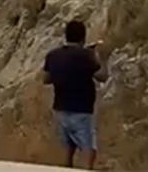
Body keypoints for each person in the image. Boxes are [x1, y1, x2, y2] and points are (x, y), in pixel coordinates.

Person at [42, 20, 108, 170]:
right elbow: (102, 76)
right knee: (88, 151)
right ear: (83, 38)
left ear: (66, 36)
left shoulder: (53, 55)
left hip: (60, 109)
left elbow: (46, 79)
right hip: (82, 111)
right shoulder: (86, 56)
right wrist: (100, 57)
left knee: (67, 152)